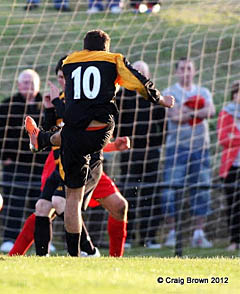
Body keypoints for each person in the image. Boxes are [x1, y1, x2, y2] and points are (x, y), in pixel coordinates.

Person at [25, 29, 174, 256]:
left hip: (73, 134)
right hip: (99, 130)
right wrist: (161, 99)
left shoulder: (69, 61)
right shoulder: (113, 59)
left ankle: (74, 256)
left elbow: (70, 104)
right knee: (61, 199)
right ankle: (89, 252)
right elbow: (138, 81)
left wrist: (55, 101)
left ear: (85, 48)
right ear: (106, 47)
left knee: (71, 199)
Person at [10, 56, 128, 257]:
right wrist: (49, 110)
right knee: (49, 205)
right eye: (60, 77)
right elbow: (51, 135)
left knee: (119, 206)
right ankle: (19, 255)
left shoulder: (84, 101)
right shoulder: (60, 101)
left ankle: (114, 259)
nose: (64, 80)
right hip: (63, 163)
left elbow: (85, 137)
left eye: (67, 76)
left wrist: (113, 147)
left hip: (90, 165)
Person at [0, 69, 48, 252]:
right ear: (18, 85)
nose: (28, 86)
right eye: (25, 82)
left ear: (39, 86)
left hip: (40, 166)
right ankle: (9, 239)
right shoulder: (7, 106)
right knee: (14, 202)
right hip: (14, 166)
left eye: (32, 83)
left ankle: (43, 239)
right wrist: (4, 157)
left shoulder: (47, 106)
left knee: (42, 203)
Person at [162, 58, 215, 248]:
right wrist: (196, 112)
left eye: (189, 68)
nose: (186, 72)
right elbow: (174, 117)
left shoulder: (204, 92)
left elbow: (211, 111)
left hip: (201, 148)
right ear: (177, 71)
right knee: (170, 190)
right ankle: (172, 233)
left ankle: (199, 234)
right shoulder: (169, 92)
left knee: (202, 188)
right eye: (182, 68)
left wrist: (188, 112)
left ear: (195, 71)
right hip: (176, 149)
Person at [115, 60, 166, 249]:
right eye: (136, 72)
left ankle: (149, 238)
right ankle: (126, 237)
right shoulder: (122, 97)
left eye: (143, 72)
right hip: (129, 153)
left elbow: (164, 126)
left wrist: (157, 145)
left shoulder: (154, 96)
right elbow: (115, 124)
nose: (139, 75)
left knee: (151, 193)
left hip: (151, 153)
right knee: (128, 193)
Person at [217, 80, 240, 251]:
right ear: (234, 95)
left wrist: (235, 138)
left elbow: (232, 138)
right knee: (233, 205)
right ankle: (234, 241)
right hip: (231, 166)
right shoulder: (226, 113)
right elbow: (223, 139)